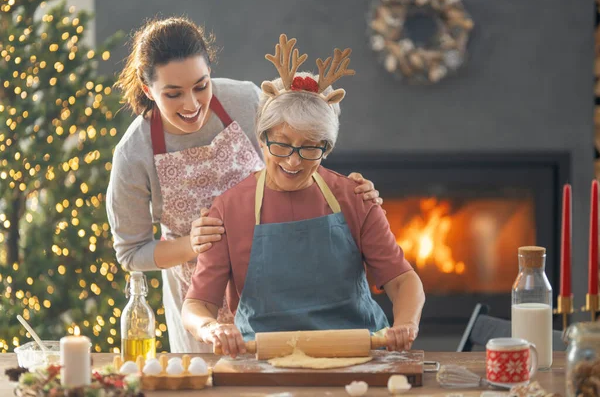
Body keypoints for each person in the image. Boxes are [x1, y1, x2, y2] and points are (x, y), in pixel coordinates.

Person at [106, 18, 384, 353]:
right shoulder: (134, 154)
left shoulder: (245, 100)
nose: (192, 104)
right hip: (201, 301)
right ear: (148, 89)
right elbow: (131, 253)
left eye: (201, 85)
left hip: (276, 283)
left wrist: (353, 192)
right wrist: (192, 245)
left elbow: (298, 157)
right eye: (173, 94)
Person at [182, 34, 425, 357]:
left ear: (327, 148)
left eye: (310, 147)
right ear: (262, 137)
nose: (293, 160)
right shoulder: (227, 209)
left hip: (359, 355)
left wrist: (405, 323)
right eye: (281, 144)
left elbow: (402, 280)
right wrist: (211, 327)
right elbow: (197, 304)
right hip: (265, 361)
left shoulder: (355, 198)